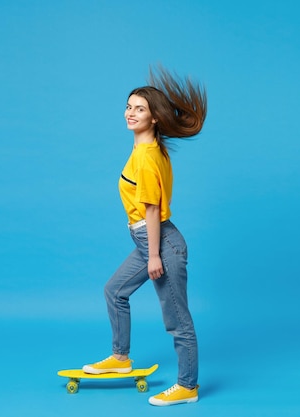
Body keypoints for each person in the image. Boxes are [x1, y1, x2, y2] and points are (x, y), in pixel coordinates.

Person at [82, 66, 207, 406]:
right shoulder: (147, 150)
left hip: (160, 242)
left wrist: (154, 256)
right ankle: (120, 359)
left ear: (154, 118)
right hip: (149, 240)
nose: (130, 113)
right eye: (128, 106)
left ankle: (187, 386)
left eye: (139, 108)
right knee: (115, 291)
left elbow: (152, 211)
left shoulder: (148, 157)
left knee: (177, 318)